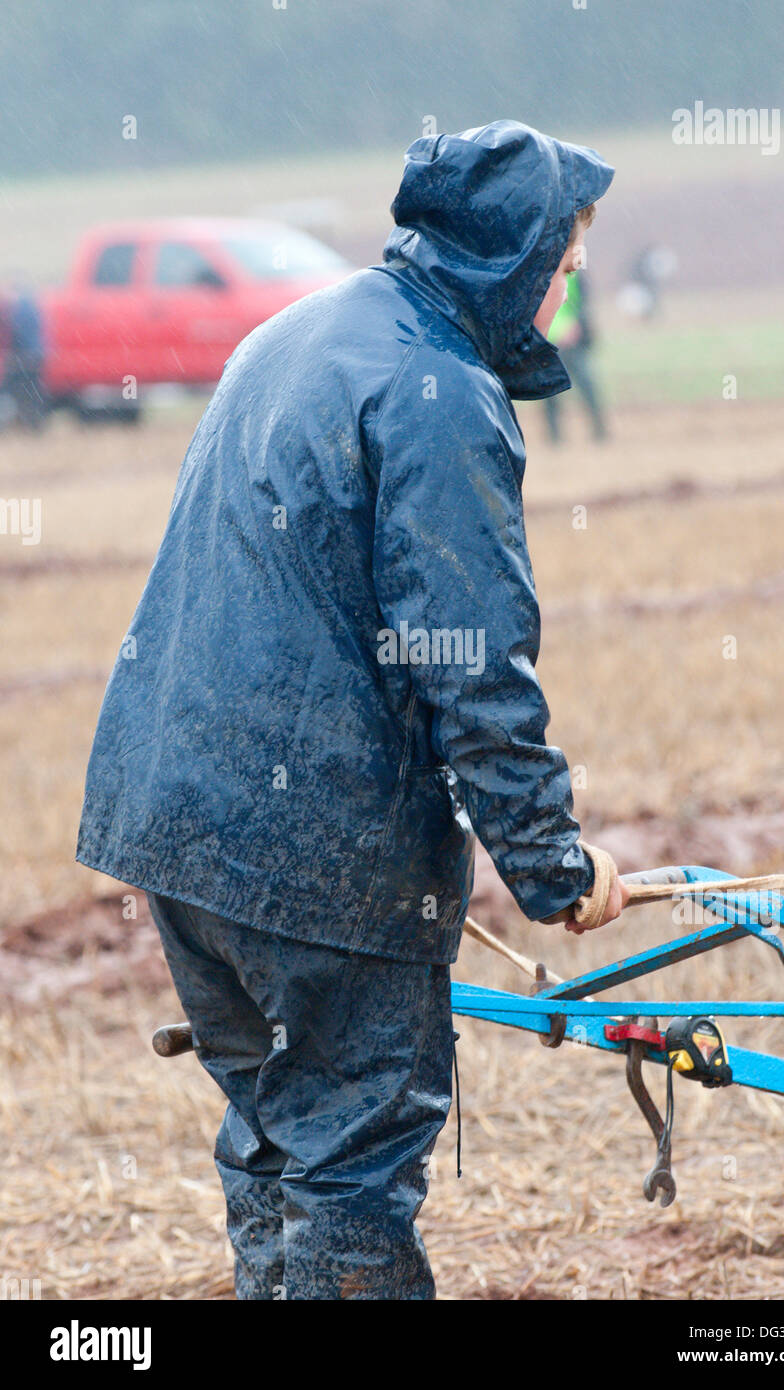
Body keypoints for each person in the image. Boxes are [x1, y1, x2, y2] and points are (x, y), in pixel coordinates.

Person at [77, 120, 627, 1301]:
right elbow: (472, 662)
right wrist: (556, 866)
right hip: (314, 858)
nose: (568, 281)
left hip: (178, 829)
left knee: (276, 1139)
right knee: (352, 1173)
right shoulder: (441, 396)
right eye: (563, 259)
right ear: (510, 257)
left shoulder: (298, 333)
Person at [543, 269, 607, 442]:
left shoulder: (573, 270)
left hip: (571, 338)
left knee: (586, 385)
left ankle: (600, 431)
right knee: (549, 392)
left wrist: (577, 325)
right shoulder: (539, 267)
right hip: (548, 339)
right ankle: (554, 437)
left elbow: (582, 300)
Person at [1, 279, 46, 429]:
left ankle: (27, 424)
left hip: (25, 357)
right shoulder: (27, 304)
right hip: (33, 355)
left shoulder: (16, 307)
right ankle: (33, 424)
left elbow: (14, 335)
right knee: (30, 394)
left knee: (13, 393)